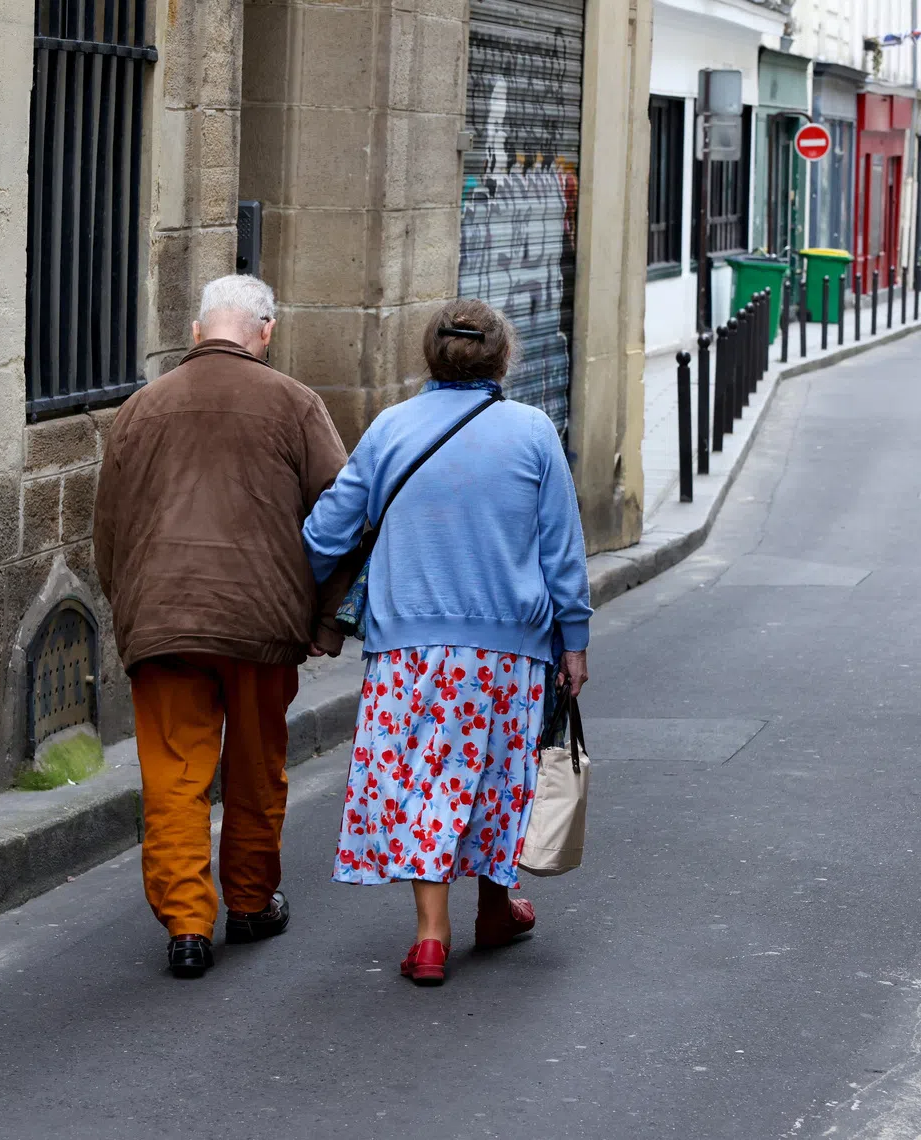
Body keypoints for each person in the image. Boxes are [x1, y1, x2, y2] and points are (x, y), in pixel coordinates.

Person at [301, 298, 592, 986]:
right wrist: (573, 639)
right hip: (510, 649)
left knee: (422, 783)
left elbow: (325, 534)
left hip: (407, 651)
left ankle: (431, 938)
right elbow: (562, 549)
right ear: (503, 358)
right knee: (498, 779)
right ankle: (495, 909)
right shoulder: (532, 432)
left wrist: (308, 597)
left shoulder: (391, 429)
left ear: (430, 356)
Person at [94, 274, 348, 979]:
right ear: (264, 333)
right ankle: (248, 902)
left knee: (174, 776)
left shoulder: (142, 408)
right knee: (254, 769)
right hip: (262, 621)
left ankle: (185, 926)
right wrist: (325, 619)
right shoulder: (296, 404)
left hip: (163, 618)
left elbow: (109, 527)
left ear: (200, 331)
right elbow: (341, 512)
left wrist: (130, 613)